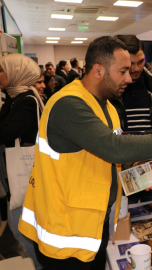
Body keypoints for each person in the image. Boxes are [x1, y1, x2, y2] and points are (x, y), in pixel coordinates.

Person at [19, 36, 152, 270]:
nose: (129, 78)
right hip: (64, 233)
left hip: (90, 223)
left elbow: (104, 153)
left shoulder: (107, 104)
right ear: (98, 70)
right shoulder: (69, 103)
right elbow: (113, 147)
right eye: (123, 71)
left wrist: (136, 170)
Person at [113, 34, 152, 204]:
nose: (135, 68)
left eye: (140, 62)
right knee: (122, 225)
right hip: (122, 170)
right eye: (129, 64)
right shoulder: (109, 90)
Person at [0, 54, 44, 270]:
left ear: (16, 73)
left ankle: (40, 265)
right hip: (14, 173)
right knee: (18, 223)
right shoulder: (14, 98)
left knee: (22, 227)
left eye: (2, 70)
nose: (0, 74)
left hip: (24, 173)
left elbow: (6, 132)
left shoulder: (27, 100)